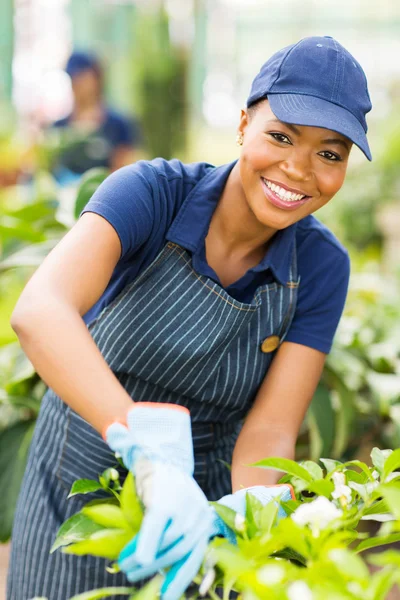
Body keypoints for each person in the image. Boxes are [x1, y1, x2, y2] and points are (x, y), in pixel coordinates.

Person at [7, 36, 372, 600]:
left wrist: (242, 515)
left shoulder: (321, 267)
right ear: (243, 124)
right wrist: (148, 454)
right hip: (83, 471)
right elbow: (41, 310)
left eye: (330, 153)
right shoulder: (151, 195)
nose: (299, 170)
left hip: (202, 500)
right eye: (280, 136)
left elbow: (272, 428)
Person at [51, 51, 142, 184]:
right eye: (73, 78)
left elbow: (126, 169)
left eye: (81, 77)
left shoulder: (119, 125)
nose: (77, 84)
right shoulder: (58, 128)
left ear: (96, 78)